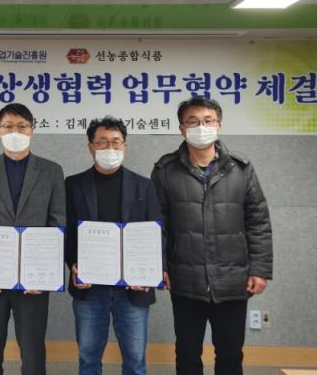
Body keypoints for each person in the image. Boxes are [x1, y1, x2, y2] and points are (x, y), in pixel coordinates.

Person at [151, 96, 273, 375]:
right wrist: (160, 266)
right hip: (185, 279)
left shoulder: (241, 168)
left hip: (233, 280)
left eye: (208, 121)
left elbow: (258, 221)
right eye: (192, 121)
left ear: (219, 125)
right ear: (181, 128)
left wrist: (260, 269)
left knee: (230, 355)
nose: (201, 127)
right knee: (187, 354)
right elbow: (157, 224)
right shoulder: (165, 170)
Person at [0, 102, 66, 375]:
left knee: (33, 352)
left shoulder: (51, 171)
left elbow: (57, 223)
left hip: (34, 279)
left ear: (32, 130)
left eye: (22, 126)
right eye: (8, 126)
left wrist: (44, 274)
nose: (15, 132)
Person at [65, 117, 163, 375]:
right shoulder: (73, 185)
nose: (110, 148)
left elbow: (156, 234)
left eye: (116, 142)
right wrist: (72, 264)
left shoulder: (144, 185)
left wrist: (150, 272)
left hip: (132, 288)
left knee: (135, 361)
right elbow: (66, 233)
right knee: (88, 359)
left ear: (125, 146)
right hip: (89, 287)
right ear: (91, 147)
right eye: (102, 142)